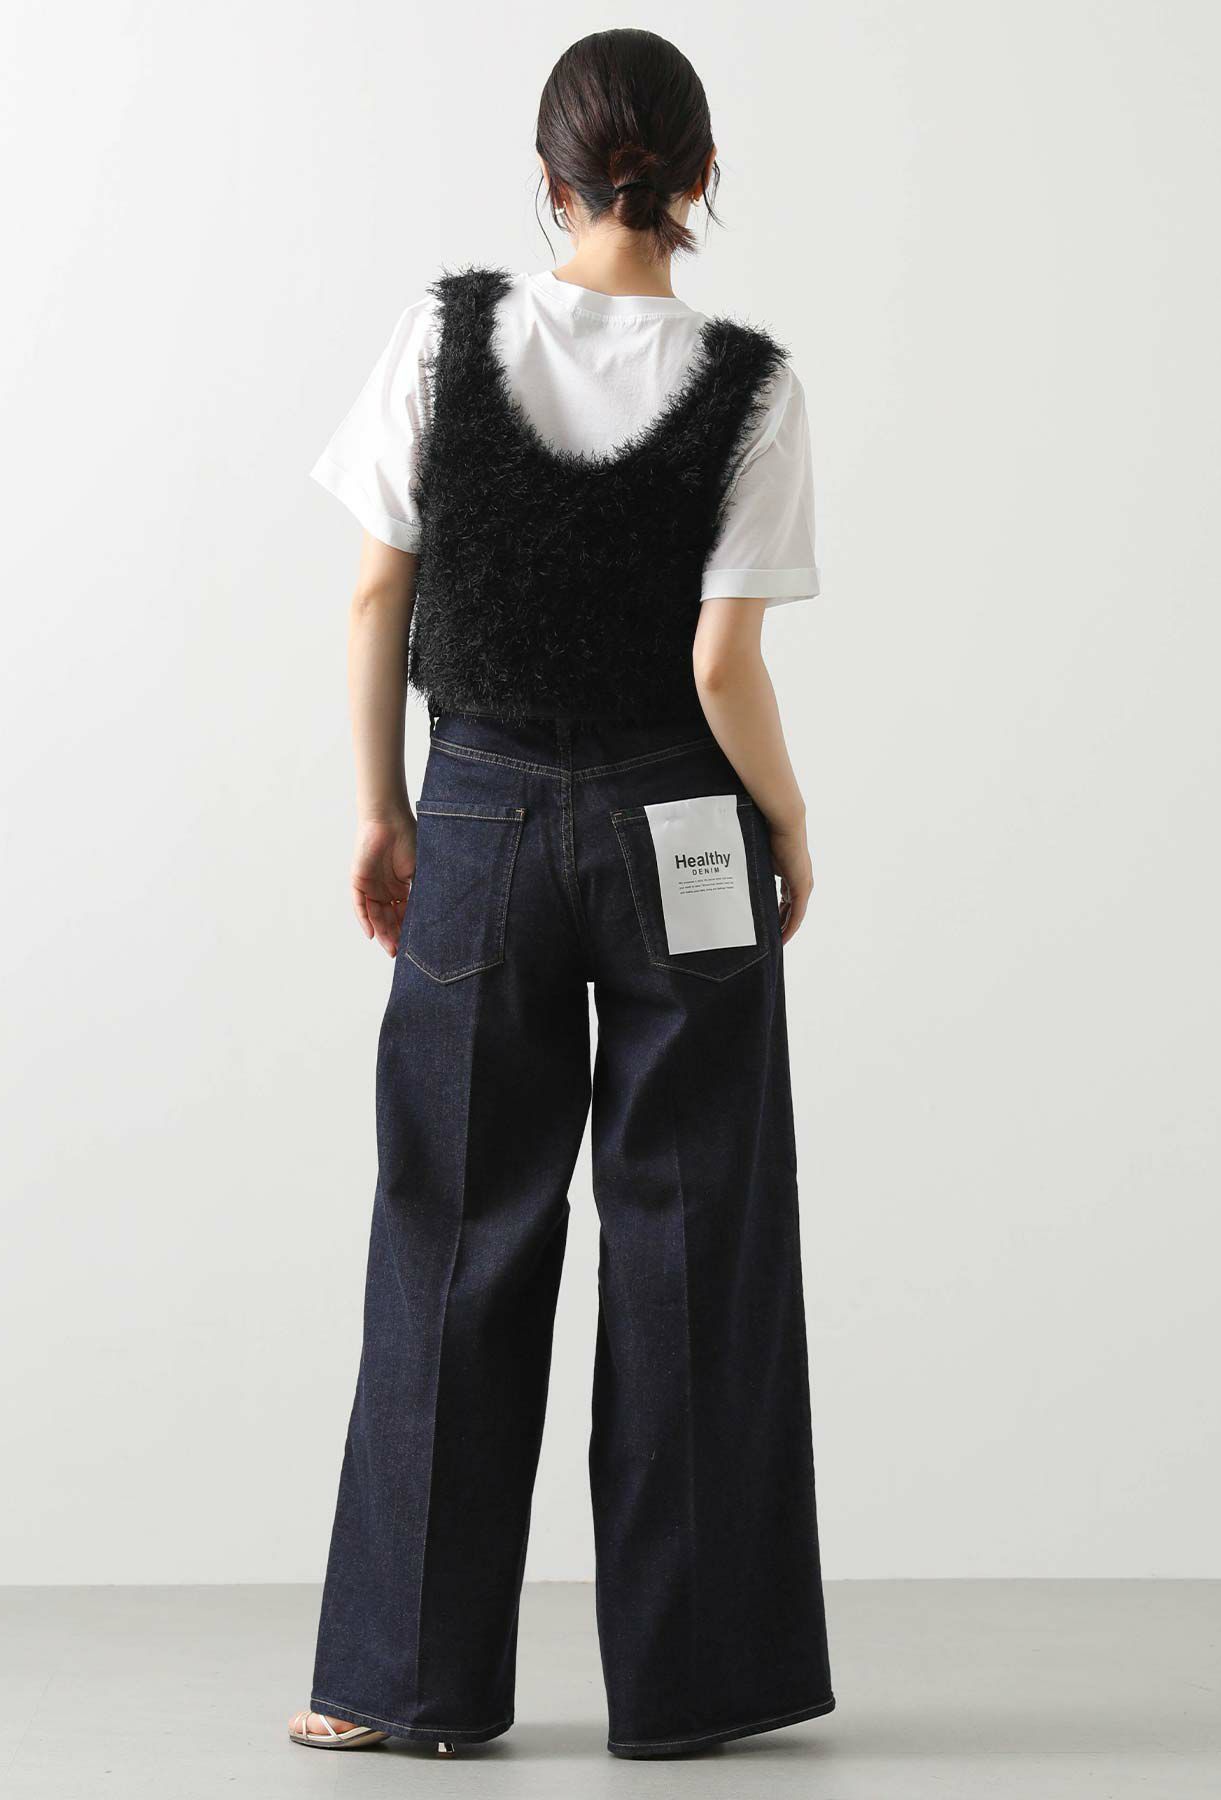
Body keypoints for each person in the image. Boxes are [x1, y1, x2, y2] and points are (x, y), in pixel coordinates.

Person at [289, 26, 834, 1762]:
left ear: (549, 176)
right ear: (703, 175)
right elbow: (723, 665)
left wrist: (385, 813)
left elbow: (375, 598)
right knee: (694, 1233)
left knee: (453, 1225)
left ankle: (397, 1686)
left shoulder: (447, 335)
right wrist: (789, 823)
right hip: (686, 826)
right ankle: (698, 1689)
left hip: (480, 811)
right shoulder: (753, 383)